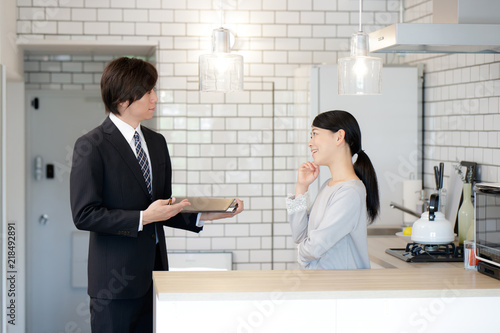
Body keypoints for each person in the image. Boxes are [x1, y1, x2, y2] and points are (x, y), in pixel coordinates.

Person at [70, 57, 243, 333]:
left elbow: (162, 206)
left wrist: (206, 214)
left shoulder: (156, 142)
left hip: (155, 278)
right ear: (125, 98)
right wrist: (141, 217)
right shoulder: (92, 145)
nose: (156, 97)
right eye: (149, 91)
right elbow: (84, 214)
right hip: (113, 287)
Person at [286, 110, 379, 270]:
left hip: (342, 288)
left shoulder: (350, 192)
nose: (310, 143)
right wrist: (301, 187)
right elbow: (299, 235)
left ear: (339, 137)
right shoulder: (329, 186)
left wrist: (301, 251)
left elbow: (315, 247)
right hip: (324, 286)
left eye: (315, 134)